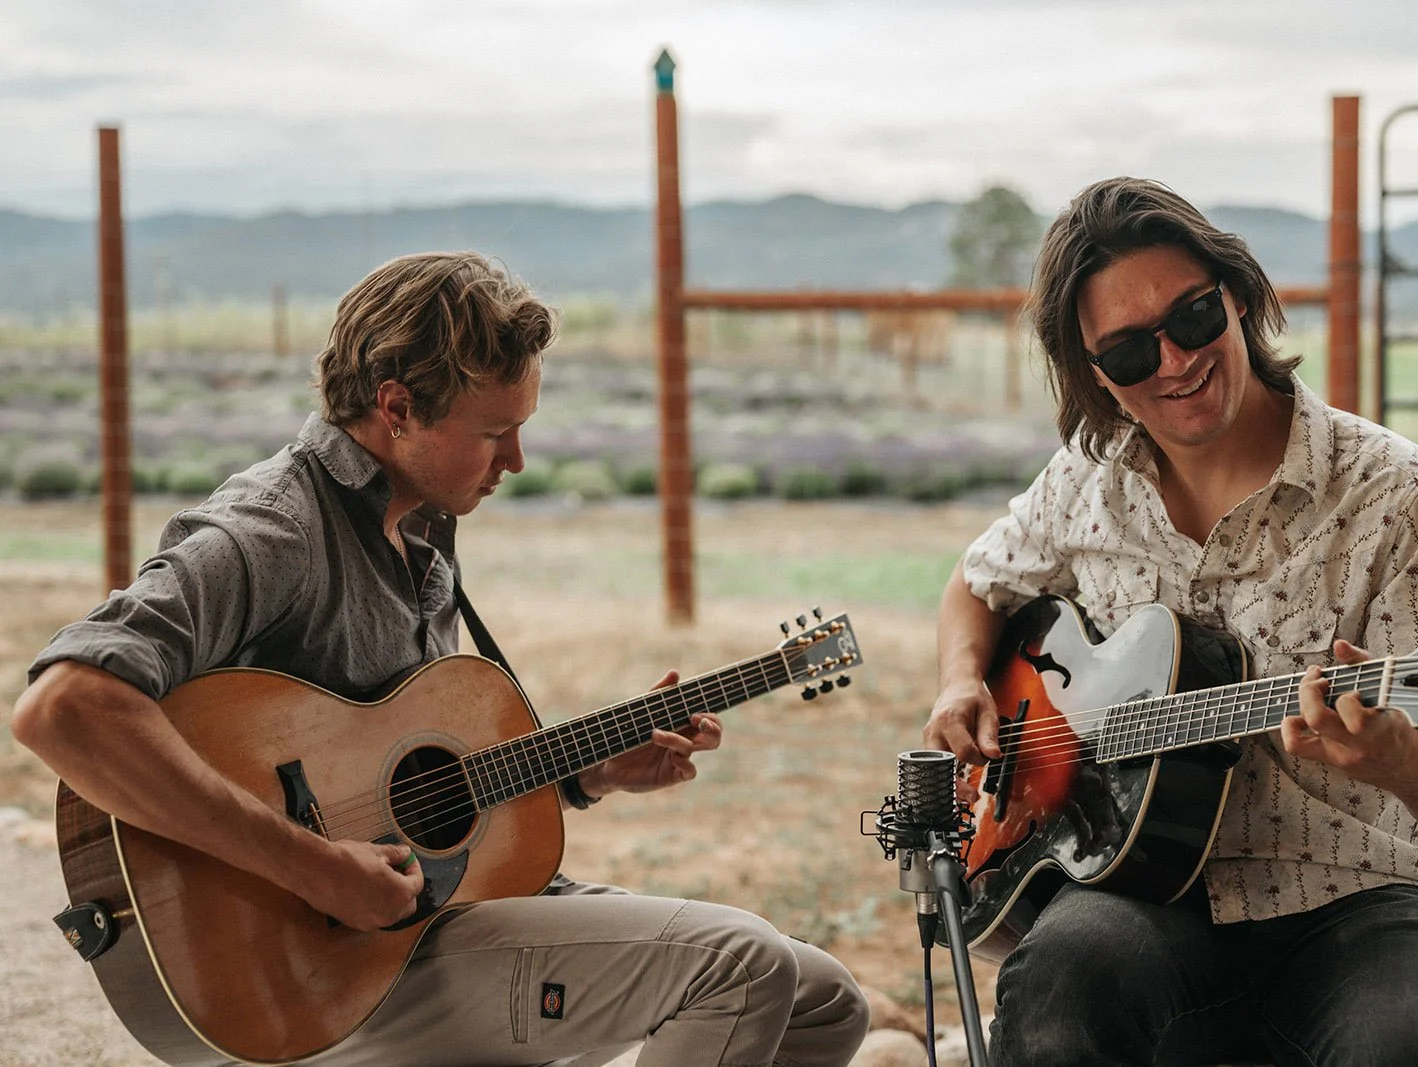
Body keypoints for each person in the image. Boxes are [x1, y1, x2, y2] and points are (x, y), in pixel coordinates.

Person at [13, 251, 869, 1067]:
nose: (517, 461)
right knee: (743, 963)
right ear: (396, 408)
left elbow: (419, 796)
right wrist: (312, 866)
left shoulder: (418, 525)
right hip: (320, 968)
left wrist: (586, 774)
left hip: (433, 921)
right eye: (495, 431)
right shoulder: (271, 530)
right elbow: (65, 706)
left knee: (826, 999)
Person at [923, 178, 1418, 1066]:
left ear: (1238, 297)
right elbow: (977, 582)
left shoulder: (1407, 499)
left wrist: (1402, 757)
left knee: (1414, 1046)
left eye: (1192, 318)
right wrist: (963, 680)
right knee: (1056, 990)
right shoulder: (1086, 482)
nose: (1172, 361)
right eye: (1126, 352)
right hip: (1139, 897)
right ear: (1094, 376)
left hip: (1365, 896)